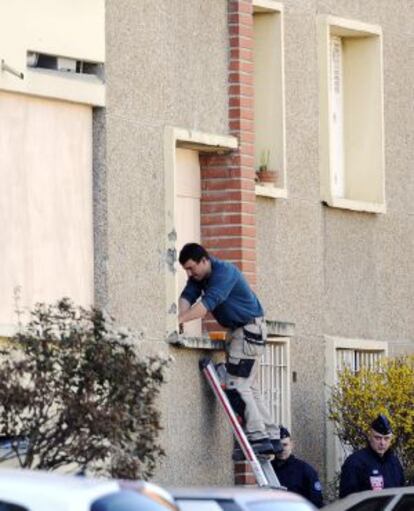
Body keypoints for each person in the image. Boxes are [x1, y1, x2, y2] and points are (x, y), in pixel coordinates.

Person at [178, 243, 281, 455]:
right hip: (245, 332)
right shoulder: (201, 277)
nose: (189, 273)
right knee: (250, 387)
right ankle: (272, 435)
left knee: (236, 386)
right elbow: (187, 296)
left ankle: (257, 437)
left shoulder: (224, 273)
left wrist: (179, 320)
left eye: (191, 268)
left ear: (204, 261)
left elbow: (207, 305)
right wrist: (180, 317)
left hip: (247, 332)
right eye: (186, 270)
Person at [339, 414, 405, 498]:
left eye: (386, 438)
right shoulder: (355, 462)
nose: (382, 443)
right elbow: (347, 500)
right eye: (378, 438)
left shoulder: (394, 462)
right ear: (370, 437)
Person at [271, 426, 324, 508]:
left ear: (292, 445)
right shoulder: (267, 470)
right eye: (278, 446)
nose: (281, 449)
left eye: (285, 445)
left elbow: (316, 501)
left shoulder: (304, 470)